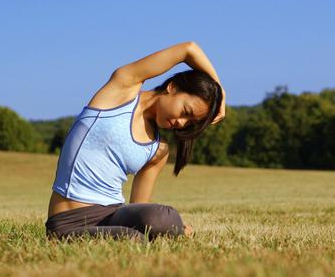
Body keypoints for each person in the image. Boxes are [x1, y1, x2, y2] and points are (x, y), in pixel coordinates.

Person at [45, 41, 226, 243]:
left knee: (160, 217)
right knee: (133, 239)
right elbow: (188, 49)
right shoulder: (122, 89)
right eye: (185, 112)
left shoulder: (159, 149)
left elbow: (139, 209)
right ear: (172, 87)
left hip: (113, 216)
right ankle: (172, 232)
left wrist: (162, 224)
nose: (181, 123)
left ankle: (173, 229)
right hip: (68, 223)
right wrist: (220, 93)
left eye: (189, 122)